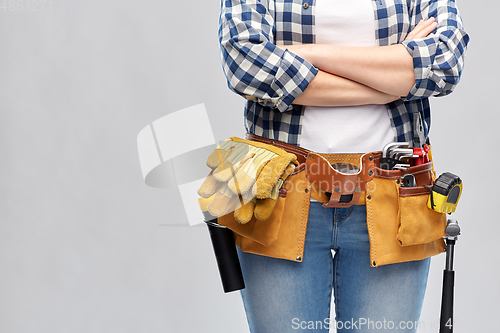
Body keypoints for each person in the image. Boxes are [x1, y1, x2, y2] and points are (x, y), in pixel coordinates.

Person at [217, 0, 469, 332]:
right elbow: (244, 64)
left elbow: (444, 64)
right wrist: (390, 79)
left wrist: (310, 54)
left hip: (394, 195)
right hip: (278, 194)